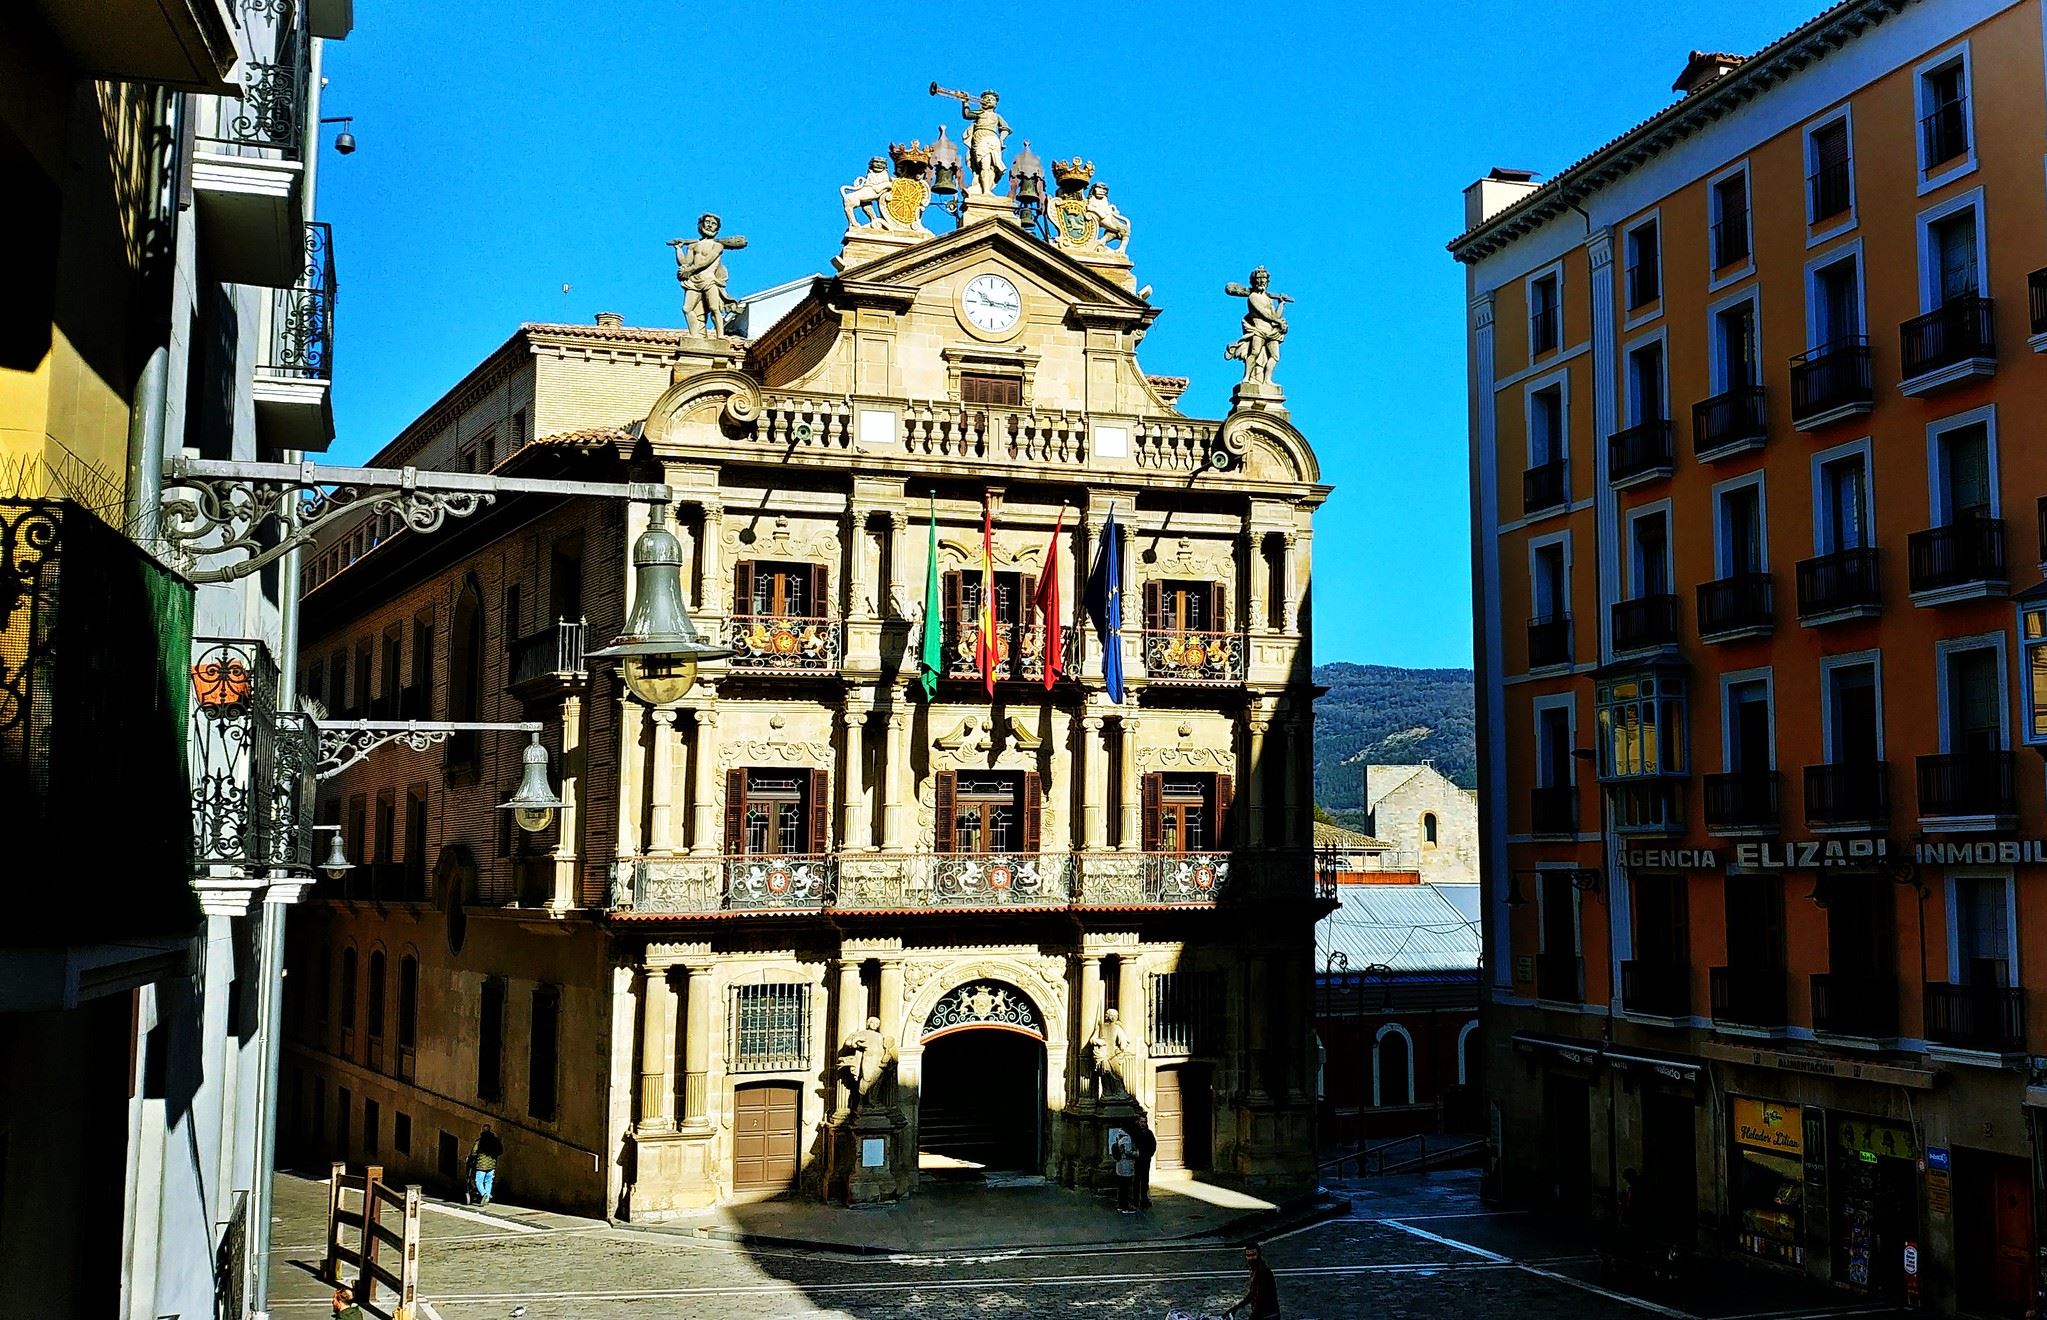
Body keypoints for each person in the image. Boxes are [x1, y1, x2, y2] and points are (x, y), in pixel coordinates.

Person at [1225, 1242, 1282, 1320]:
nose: (1251, 1258)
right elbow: (1253, 1294)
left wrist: (1254, 1316)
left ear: (1259, 1254)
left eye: (1253, 1255)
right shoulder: (1256, 1270)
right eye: (1248, 1255)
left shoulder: (1263, 1272)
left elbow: (1261, 1298)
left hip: (1267, 1315)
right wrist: (1236, 1308)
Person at [468, 1124, 503, 1206]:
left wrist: (472, 1158)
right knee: (489, 1181)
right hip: (492, 1164)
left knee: (478, 1181)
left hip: (481, 1165)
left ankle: (484, 1194)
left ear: (483, 1131)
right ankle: (487, 1198)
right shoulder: (496, 1140)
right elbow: (500, 1151)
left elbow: (473, 1152)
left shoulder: (479, 1141)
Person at [1130, 1114, 1158, 1210]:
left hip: (1146, 1160)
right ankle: (1136, 1199)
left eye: (1144, 1122)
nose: (1143, 1124)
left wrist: (1149, 1154)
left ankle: (1144, 1199)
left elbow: (1153, 1145)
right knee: (1137, 1180)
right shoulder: (1135, 1132)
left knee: (1145, 1180)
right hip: (1138, 1160)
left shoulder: (1149, 1133)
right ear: (1139, 1122)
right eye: (1141, 1122)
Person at [1112, 1132, 1138, 1213]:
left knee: (1121, 1187)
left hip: (1120, 1165)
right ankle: (1125, 1206)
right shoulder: (1127, 1137)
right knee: (1126, 1187)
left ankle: (1121, 1205)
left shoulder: (1120, 1134)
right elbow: (1128, 1151)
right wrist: (1137, 1153)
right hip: (1126, 1165)